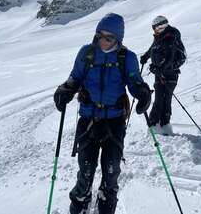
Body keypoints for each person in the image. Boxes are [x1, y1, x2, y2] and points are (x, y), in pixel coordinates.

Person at [53, 13, 152, 214]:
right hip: (88, 120)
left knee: (111, 170)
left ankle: (106, 207)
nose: (103, 41)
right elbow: (75, 78)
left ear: (118, 39)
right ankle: (79, 205)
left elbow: (134, 82)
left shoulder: (127, 58)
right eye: (100, 36)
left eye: (109, 38)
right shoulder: (86, 53)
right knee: (86, 171)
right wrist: (65, 90)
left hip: (114, 122)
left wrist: (142, 93)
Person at [140, 16, 186, 135]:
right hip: (160, 73)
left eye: (162, 26)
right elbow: (153, 49)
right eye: (158, 27)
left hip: (170, 74)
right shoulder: (160, 37)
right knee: (161, 99)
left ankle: (157, 125)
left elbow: (170, 57)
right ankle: (161, 126)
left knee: (163, 99)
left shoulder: (171, 36)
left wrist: (159, 68)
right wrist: (146, 56)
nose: (159, 29)